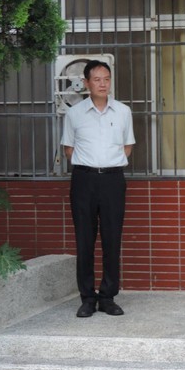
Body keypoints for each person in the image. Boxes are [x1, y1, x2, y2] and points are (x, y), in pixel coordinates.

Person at [61, 60, 135, 318]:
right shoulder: (75, 114)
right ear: (86, 83)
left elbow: (127, 147)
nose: (103, 84)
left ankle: (108, 296)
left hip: (113, 181)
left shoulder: (123, 112)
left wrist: (107, 165)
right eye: (97, 79)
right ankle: (87, 298)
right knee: (85, 239)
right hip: (84, 180)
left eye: (107, 79)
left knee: (112, 238)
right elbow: (69, 150)